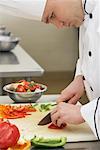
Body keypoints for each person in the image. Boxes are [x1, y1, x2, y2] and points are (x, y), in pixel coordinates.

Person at [0, 0, 100, 139]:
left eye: (52, 15)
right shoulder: (84, 11)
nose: (58, 26)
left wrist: (87, 113)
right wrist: (82, 78)